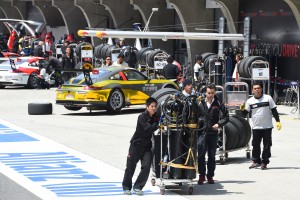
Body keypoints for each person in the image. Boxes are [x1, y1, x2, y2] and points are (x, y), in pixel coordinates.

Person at [122, 97, 160, 195]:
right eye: (152, 106)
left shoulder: (156, 116)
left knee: (146, 167)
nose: (154, 108)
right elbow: (149, 129)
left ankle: (138, 186)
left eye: (155, 107)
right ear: (147, 107)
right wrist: (157, 123)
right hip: (136, 145)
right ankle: (126, 187)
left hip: (147, 146)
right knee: (130, 167)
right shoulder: (142, 117)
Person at [240, 81, 281, 170]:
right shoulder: (250, 101)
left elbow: (274, 110)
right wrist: (242, 108)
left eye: (258, 88)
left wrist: (278, 121)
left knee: (267, 145)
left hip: (267, 126)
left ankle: (264, 162)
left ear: (261, 89)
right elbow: (244, 114)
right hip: (256, 127)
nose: (257, 90)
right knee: (255, 145)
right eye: (255, 88)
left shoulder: (268, 98)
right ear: (252, 90)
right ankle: (256, 161)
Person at [197, 83, 229, 184]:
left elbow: (226, 117)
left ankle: (210, 176)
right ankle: (202, 175)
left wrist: (219, 124)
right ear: (205, 93)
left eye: (212, 93)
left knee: (211, 156)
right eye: (208, 93)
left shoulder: (218, 104)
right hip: (201, 133)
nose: (210, 95)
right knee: (201, 155)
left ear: (215, 93)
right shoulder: (200, 103)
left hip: (213, 134)